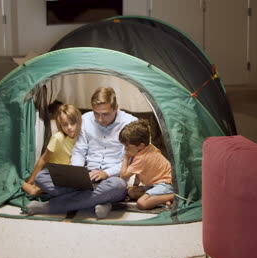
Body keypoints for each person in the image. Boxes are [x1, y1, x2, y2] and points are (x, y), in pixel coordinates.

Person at [27, 87, 137, 218]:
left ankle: (50, 206)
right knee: (41, 177)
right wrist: (77, 174)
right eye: (96, 113)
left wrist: (106, 173)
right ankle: (103, 201)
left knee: (118, 186)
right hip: (86, 176)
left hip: (112, 178)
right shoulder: (86, 119)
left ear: (116, 107)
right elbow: (79, 150)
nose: (100, 119)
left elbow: (129, 161)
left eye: (105, 114)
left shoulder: (131, 123)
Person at [22, 104, 82, 196]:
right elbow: (43, 159)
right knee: (34, 192)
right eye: (65, 124)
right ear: (60, 124)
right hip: (55, 174)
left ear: (78, 121)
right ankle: (18, 182)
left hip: (71, 175)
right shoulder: (57, 138)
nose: (69, 127)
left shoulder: (82, 135)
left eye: (72, 123)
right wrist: (31, 181)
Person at [119, 119, 174, 210]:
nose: (125, 149)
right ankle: (162, 199)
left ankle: (173, 196)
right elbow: (139, 173)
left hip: (166, 184)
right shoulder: (149, 147)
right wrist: (135, 186)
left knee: (142, 203)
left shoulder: (141, 158)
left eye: (127, 146)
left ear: (140, 145)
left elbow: (123, 176)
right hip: (155, 184)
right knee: (131, 192)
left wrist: (126, 157)